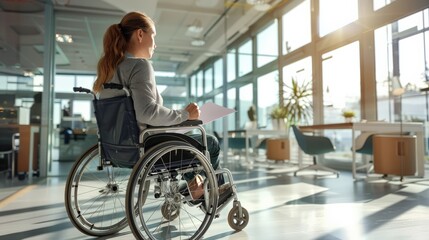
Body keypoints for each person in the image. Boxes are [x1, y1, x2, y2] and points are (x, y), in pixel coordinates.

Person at [92, 12, 222, 194]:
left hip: (117, 148)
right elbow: (147, 113)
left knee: (183, 138)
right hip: (147, 146)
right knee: (211, 142)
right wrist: (185, 115)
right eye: (153, 36)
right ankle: (212, 190)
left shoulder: (110, 70)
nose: (155, 43)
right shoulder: (139, 66)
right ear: (140, 34)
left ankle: (194, 184)